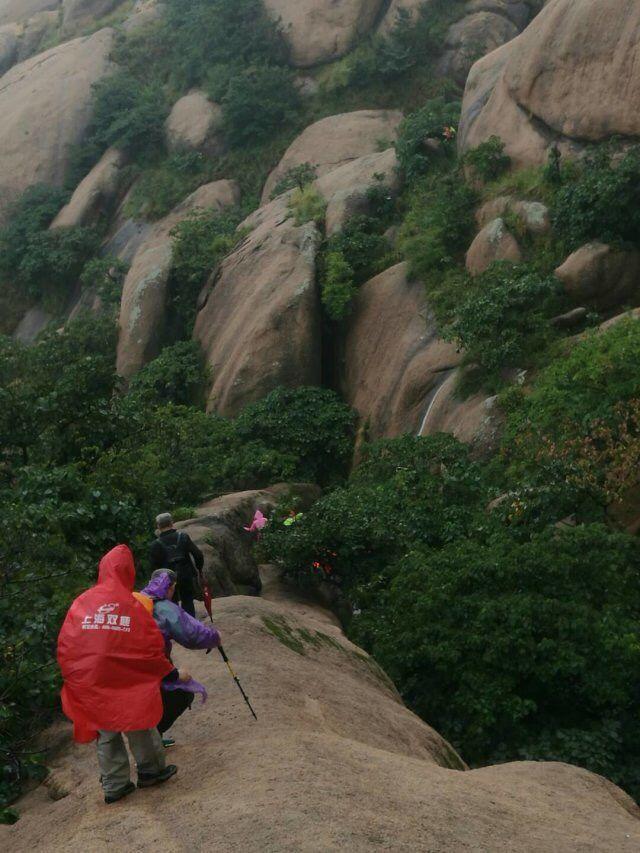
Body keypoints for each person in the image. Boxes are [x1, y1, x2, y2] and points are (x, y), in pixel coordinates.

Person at [57, 544, 187, 804]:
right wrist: (168, 673)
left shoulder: (83, 601)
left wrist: (73, 676)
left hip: (92, 680)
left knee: (105, 732)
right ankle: (151, 771)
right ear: (128, 571)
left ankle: (115, 786)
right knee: (138, 721)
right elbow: (150, 645)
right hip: (127, 680)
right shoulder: (132, 603)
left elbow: (67, 641)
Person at [136, 569, 221, 746]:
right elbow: (191, 634)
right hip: (153, 664)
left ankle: (152, 738)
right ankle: (153, 739)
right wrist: (214, 638)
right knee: (182, 691)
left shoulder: (135, 599)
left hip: (130, 665)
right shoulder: (163, 607)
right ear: (171, 587)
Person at [150, 512, 204, 617]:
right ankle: (190, 626)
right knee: (188, 600)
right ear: (172, 523)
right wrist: (199, 569)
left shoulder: (155, 545)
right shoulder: (183, 537)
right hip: (186, 574)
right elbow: (198, 554)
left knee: (172, 603)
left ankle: (177, 628)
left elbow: (154, 567)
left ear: (158, 526)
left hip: (168, 579)